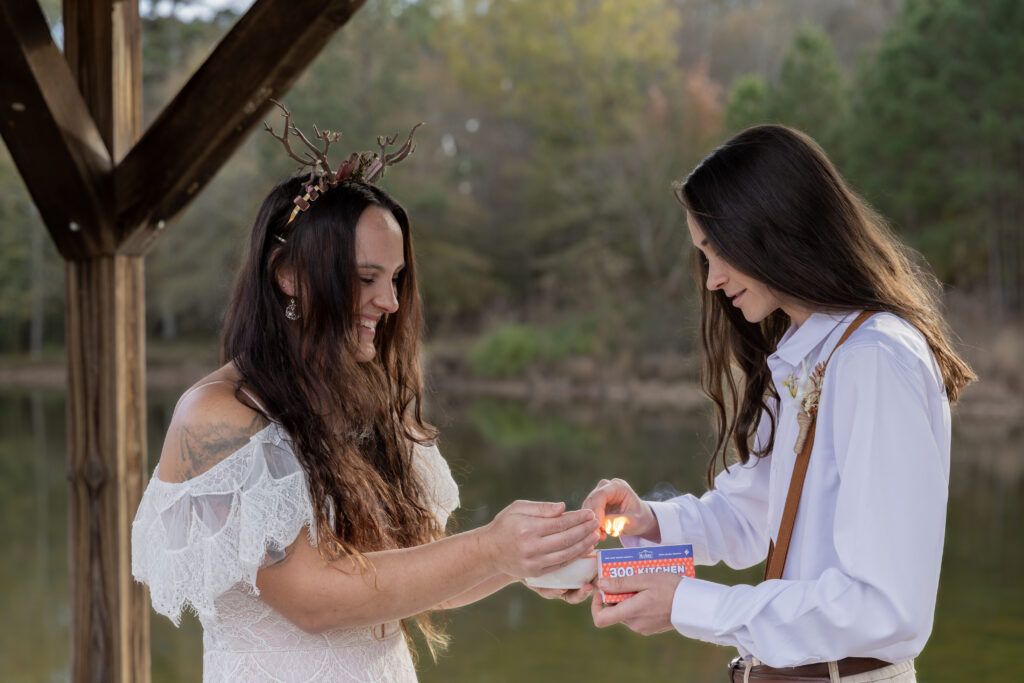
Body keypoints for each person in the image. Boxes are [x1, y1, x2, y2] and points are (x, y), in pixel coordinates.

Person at [131, 105, 600, 683]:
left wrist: (532, 560)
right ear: (288, 275)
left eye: (396, 278)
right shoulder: (219, 416)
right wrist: (491, 549)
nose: (392, 302)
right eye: (365, 278)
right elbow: (312, 598)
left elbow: (408, 578)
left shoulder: (369, 400)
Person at [580, 125, 975, 682]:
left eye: (718, 251)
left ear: (772, 229)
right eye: (703, 255)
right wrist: (648, 523)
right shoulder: (814, 354)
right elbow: (758, 515)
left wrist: (691, 605)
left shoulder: (874, 359)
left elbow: (886, 609)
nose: (712, 280)